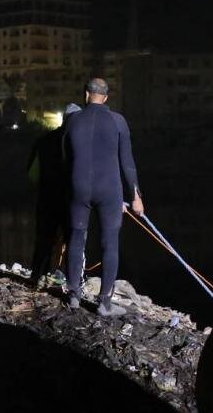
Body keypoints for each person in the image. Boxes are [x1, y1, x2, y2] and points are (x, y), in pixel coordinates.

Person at [64, 78, 144, 316]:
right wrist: (135, 196)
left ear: (86, 94)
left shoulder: (73, 120)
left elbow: (65, 159)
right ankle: (104, 302)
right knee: (110, 243)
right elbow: (127, 162)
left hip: (78, 188)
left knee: (77, 238)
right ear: (106, 97)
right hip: (110, 190)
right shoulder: (118, 121)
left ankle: (74, 296)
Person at [27, 103, 82, 289]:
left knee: (44, 238)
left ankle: (37, 276)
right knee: (72, 240)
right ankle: (70, 280)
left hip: (46, 197)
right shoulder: (79, 143)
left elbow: (32, 173)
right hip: (71, 200)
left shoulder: (43, 140)